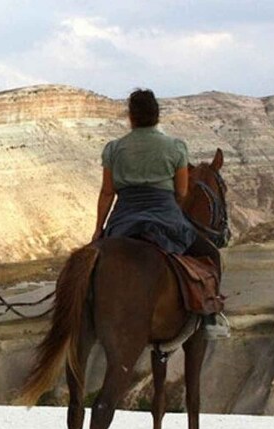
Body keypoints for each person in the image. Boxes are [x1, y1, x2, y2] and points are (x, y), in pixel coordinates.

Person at [91, 89, 229, 338]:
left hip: (124, 220)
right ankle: (210, 317)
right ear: (157, 116)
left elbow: (107, 193)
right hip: (166, 218)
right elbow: (182, 192)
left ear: (130, 117)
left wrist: (99, 229)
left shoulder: (113, 149)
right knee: (210, 254)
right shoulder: (175, 147)